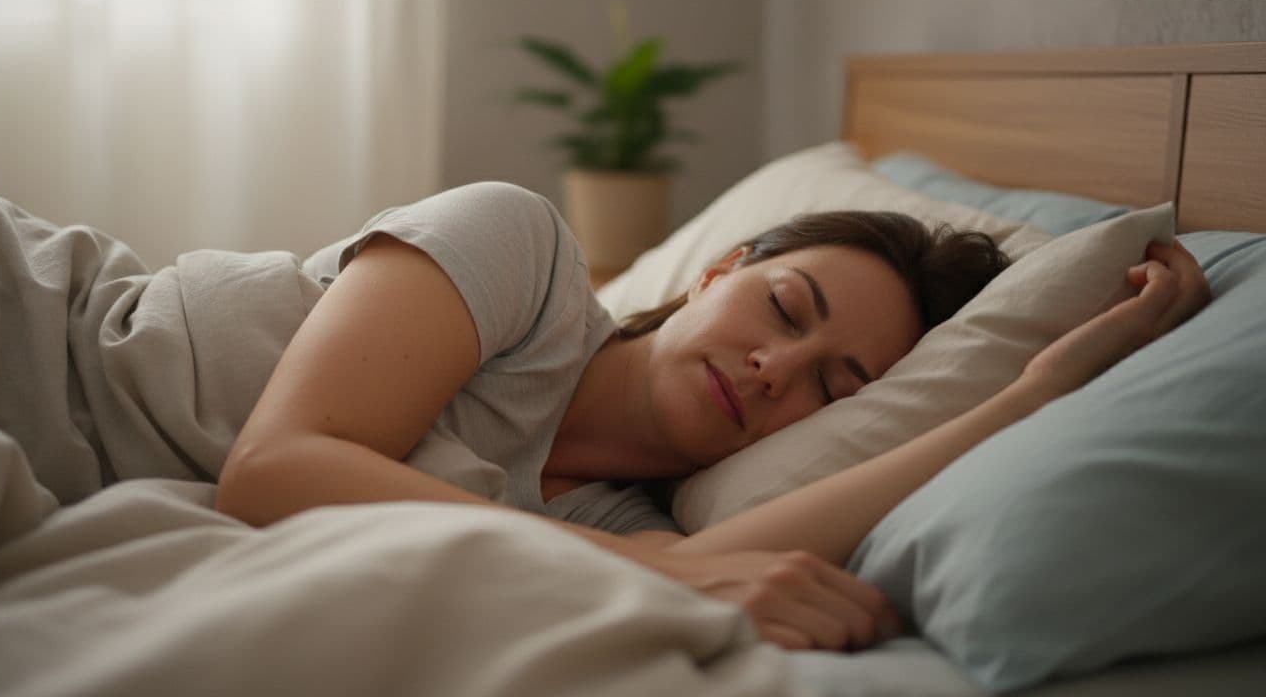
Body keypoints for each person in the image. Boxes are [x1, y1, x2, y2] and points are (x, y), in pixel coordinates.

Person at [212, 181, 1211, 652]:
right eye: (783, 309)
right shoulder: (519, 251)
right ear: (716, 273)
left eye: (835, 388)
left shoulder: (618, 525)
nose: (777, 370)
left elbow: (731, 563)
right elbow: (274, 468)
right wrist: (666, 571)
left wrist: (1036, 393)